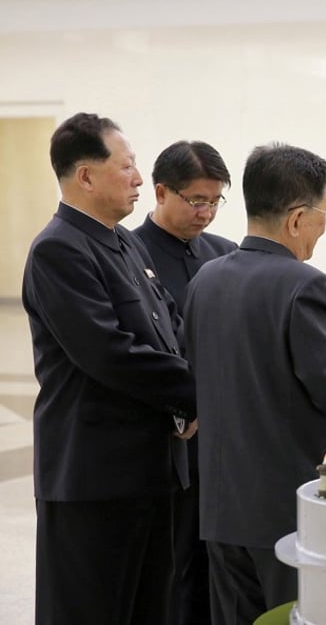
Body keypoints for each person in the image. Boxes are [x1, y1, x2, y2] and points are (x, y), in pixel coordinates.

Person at [183, 142, 326, 625]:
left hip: (222, 506)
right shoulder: (303, 283)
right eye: (323, 217)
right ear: (295, 219)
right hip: (289, 509)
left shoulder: (205, 279)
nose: (322, 230)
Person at [22, 112, 196, 625]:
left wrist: (193, 384)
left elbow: (171, 327)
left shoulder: (124, 241)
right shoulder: (59, 249)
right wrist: (199, 393)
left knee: (150, 607)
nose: (139, 178)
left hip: (151, 468)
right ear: (86, 176)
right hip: (94, 476)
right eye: (127, 166)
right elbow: (109, 353)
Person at [133, 140, 236, 625]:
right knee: (174, 566)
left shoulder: (227, 255)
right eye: (196, 200)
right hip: (168, 437)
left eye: (215, 200)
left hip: (223, 436)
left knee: (219, 562)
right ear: (160, 191)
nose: (206, 212)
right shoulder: (128, 254)